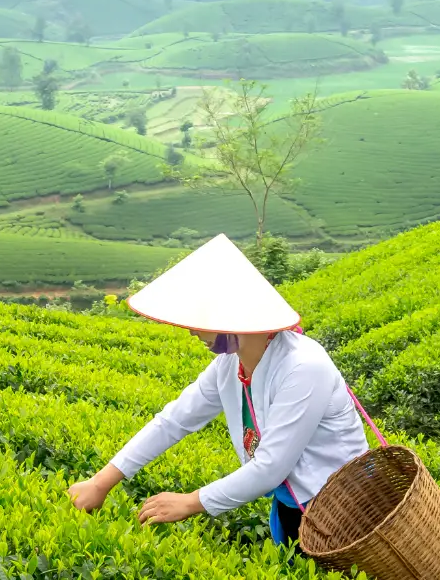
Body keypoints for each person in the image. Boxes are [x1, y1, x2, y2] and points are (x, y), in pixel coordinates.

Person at [65, 233, 369, 547]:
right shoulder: (230, 366)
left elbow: (270, 467)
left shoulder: (304, 367)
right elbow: (174, 421)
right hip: (297, 505)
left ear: (233, 317)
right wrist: (101, 482)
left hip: (347, 512)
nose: (194, 330)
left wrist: (190, 502)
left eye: (202, 320)